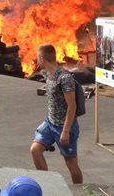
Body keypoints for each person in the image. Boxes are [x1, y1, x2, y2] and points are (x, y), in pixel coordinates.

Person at [30, 44, 83, 184]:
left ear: (42, 58)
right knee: (35, 150)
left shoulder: (64, 78)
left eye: (37, 57)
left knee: (71, 163)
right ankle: (47, 184)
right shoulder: (48, 74)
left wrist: (65, 131)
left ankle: (80, 191)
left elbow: (72, 107)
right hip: (50, 123)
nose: (36, 60)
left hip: (64, 127)